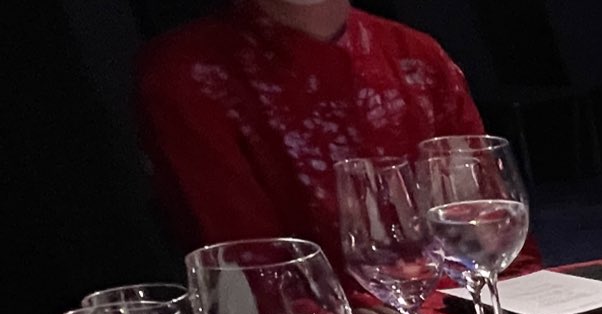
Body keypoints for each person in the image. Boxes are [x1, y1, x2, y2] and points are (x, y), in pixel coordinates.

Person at [135, 0, 491, 265]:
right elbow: (250, 269)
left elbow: (487, 231)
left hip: (453, 311)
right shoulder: (187, 76)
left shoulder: (418, 56)